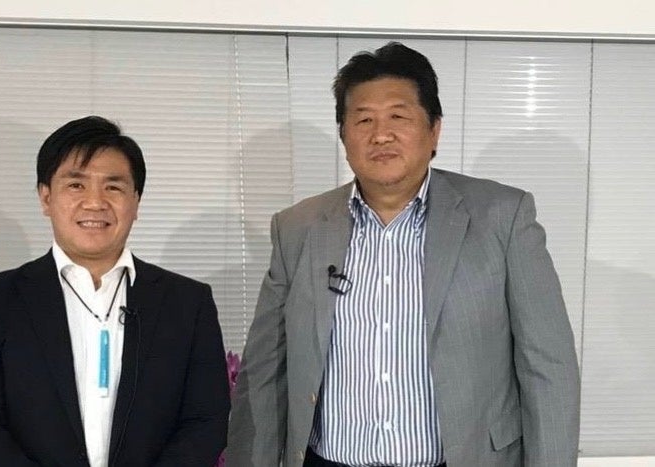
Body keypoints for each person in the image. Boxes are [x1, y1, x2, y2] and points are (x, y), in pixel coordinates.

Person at [226, 42, 580, 467]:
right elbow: (264, 371)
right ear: (344, 135)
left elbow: (548, 369)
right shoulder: (298, 228)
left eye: (399, 116)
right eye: (363, 120)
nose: (381, 134)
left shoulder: (502, 217)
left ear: (434, 130)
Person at [0, 116, 230, 466]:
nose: (95, 202)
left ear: (136, 202)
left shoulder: (187, 303)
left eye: (113, 187)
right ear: (46, 197)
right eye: (76, 185)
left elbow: (206, 421)